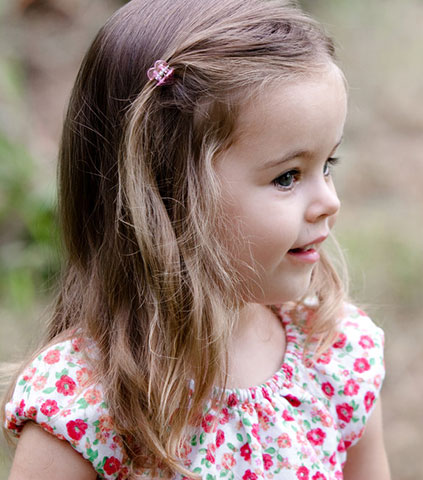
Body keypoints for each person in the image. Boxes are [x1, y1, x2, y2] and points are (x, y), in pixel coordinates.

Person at [2, 0, 389, 478]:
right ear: (167, 193)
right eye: (288, 176)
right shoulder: (87, 405)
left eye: (327, 165)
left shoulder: (333, 352)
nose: (328, 200)